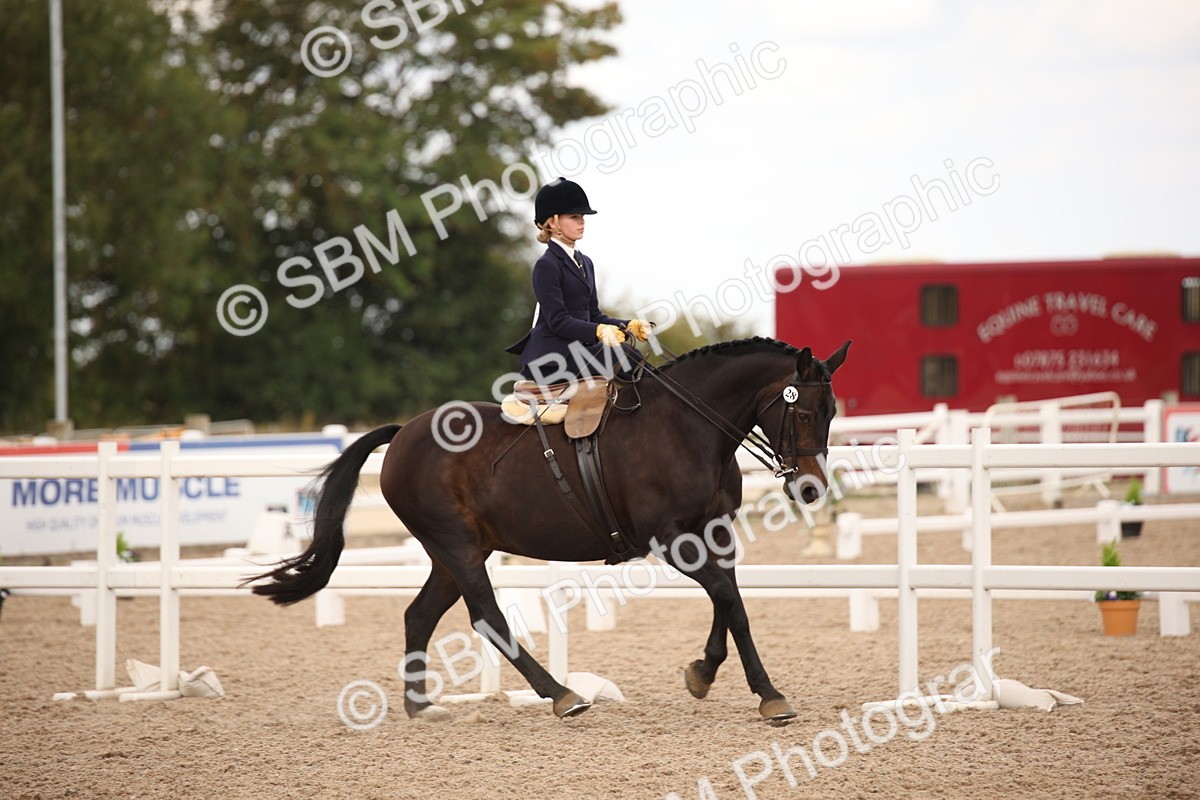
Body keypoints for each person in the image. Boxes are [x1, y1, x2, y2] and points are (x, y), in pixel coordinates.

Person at [505, 177, 651, 383]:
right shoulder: (547, 265)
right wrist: (598, 331)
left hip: (580, 351)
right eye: (574, 216)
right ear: (553, 222)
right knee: (623, 354)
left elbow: (593, 314)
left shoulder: (586, 263)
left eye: (582, 216)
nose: (582, 221)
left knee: (630, 354)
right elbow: (557, 321)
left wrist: (628, 325)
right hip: (552, 359)